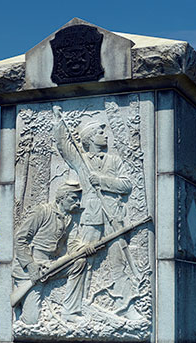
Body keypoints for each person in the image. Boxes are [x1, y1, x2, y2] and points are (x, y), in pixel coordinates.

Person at [53, 107, 142, 320]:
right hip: (91, 217)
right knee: (81, 258)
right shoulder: (81, 160)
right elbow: (65, 148)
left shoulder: (113, 161)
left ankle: (125, 305)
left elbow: (127, 185)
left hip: (113, 216)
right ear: (91, 138)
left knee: (118, 260)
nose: (105, 135)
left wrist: (102, 181)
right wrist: (58, 123)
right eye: (101, 133)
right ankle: (72, 308)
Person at [12, 181, 90, 324]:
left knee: (80, 262)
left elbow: (71, 244)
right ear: (62, 197)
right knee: (30, 321)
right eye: (74, 198)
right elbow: (20, 238)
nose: (78, 203)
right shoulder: (43, 211)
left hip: (53, 264)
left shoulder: (71, 218)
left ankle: (70, 312)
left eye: (79, 199)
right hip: (32, 268)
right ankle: (15, 311)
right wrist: (30, 265)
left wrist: (83, 249)